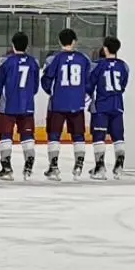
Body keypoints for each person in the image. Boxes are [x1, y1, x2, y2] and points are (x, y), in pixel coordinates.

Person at [41, 28, 90, 180]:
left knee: (54, 134)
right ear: (74, 41)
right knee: (79, 135)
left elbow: (46, 79)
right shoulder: (83, 59)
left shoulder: (55, 58)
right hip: (77, 102)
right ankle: (78, 166)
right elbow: (88, 80)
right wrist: (82, 94)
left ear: (59, 41)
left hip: (58, 103)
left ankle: (54, 167)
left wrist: (52, 92)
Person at [0, 33, 40, 181]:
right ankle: (28, 165)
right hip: (27, 104)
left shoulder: (4, 61)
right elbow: (35, 87)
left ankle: (6, 167)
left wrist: (3, 97)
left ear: (12, 44)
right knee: (27, 135)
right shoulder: (34, 62)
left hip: (8, 105)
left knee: (5, 135)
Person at [87, 38, 130, 179]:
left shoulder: (98, 66)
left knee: (99, 137)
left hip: (101, 106)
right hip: (117, 105)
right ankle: (119, 167)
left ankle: (100, 168)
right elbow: (123, 85)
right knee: (118, 137)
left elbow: (89, 86)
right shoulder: (124, 66)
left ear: (105, 49)